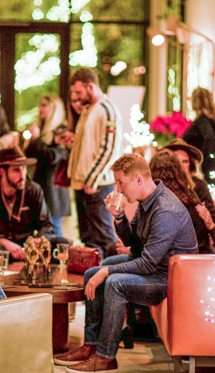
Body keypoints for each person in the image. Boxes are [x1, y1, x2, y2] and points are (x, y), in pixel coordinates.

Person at [54, 153, 197, 373]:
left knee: (114, 282)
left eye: (120, 182)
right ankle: (91, 345)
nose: (118, 189)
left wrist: (108, 271)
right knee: (92, 272)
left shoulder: (165, 210)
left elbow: (148, 263)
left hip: (169, 279)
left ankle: (106, 358)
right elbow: (133, 242)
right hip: (154, 268)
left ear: (138, 179)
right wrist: (119, 217)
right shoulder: (147, 200)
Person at [65, 67, 123, 258]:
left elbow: (109, 149)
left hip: (97, 185)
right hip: (83, 183)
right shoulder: (90, 109)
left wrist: (92, 179)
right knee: (87, 236)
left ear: (91, 86)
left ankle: (106, 278)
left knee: (102, 237)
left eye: (79, 92)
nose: (76, 96)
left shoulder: (107, 109)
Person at [0, 146, 60, 260]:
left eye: (24, 169)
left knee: (61, 243)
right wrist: (2, 242)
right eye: (16, 170)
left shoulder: (33, 190)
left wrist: (40, 239)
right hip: (0, 246)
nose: (22, 175)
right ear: (3, 172)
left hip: (27, 245)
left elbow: (47, 224)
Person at [24, 94, 71, 236]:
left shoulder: (62, 130)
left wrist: (37, 139)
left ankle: (59, 257)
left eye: (44, 105)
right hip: (41, 186)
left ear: (54, 108)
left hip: (53, 190)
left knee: (54, 228)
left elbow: (52, 157)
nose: (40, 108)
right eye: (40, 105)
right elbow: (30, 154)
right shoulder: (43, 129)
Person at [149, 150, 213, 254]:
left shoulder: (169, 201)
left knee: (114, 267)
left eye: (185, 161)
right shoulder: (185, 193)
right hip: (186, 256)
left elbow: (156, 251)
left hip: (187, 261)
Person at [164, 138, 215, 222]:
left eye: (184, 161)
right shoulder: (161, 185)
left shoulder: (199, 185)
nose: (180, 165)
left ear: (190, 165)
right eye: (176, 161)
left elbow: (212, 217)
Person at [183, 87, 215, 185]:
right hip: (205, 170)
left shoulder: (203, 121)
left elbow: (208, 140)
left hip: (202, 172)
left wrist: (199, 162)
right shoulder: (207, 120)